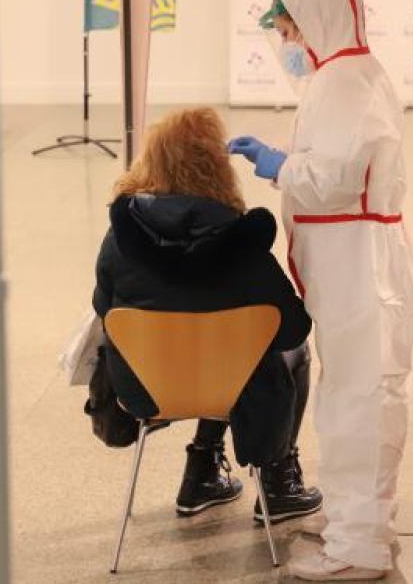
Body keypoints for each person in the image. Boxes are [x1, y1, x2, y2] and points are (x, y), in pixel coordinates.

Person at [229, 0, 413, 581]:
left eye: (289, 26)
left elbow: (329, 180)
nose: (286, 40)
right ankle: (351, 513)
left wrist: (276, 165)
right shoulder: (344, 76)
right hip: (352, 262)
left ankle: (360, 544)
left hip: (359, 264)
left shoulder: (344, 82)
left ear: (318, 20)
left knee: (361, 398)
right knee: (351, 394)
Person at [91, 107, 323, 524]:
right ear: (217, 166)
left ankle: (201, 474)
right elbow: (292, 330)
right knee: (287, 353)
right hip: (229, 385)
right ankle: (278, 483)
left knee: (195, 338)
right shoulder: (244, 243)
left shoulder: (120, 236)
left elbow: (103, 309)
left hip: (145, 387)